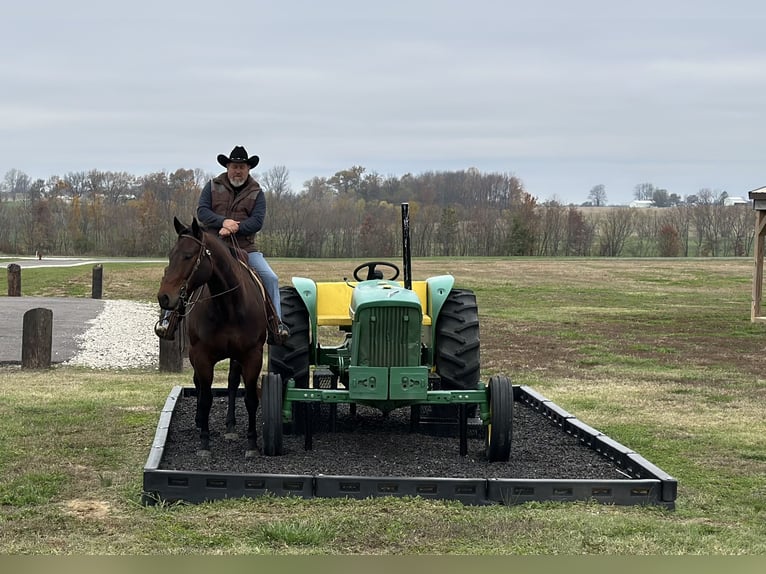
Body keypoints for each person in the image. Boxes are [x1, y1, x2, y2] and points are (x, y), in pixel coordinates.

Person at [155, 145, 288, 344]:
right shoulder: (212, 186)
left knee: (270, 278)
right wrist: (222, 222)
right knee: (183, 272)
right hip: (211, 247)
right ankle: (167, 321)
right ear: (227, 167)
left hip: (245, 249)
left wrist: (235, 227)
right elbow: (203, 212)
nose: (238, 170)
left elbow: (257, 221)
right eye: (234, 166)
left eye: (242, 167)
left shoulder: (257, 192)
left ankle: (276, 325)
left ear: (248, 169)